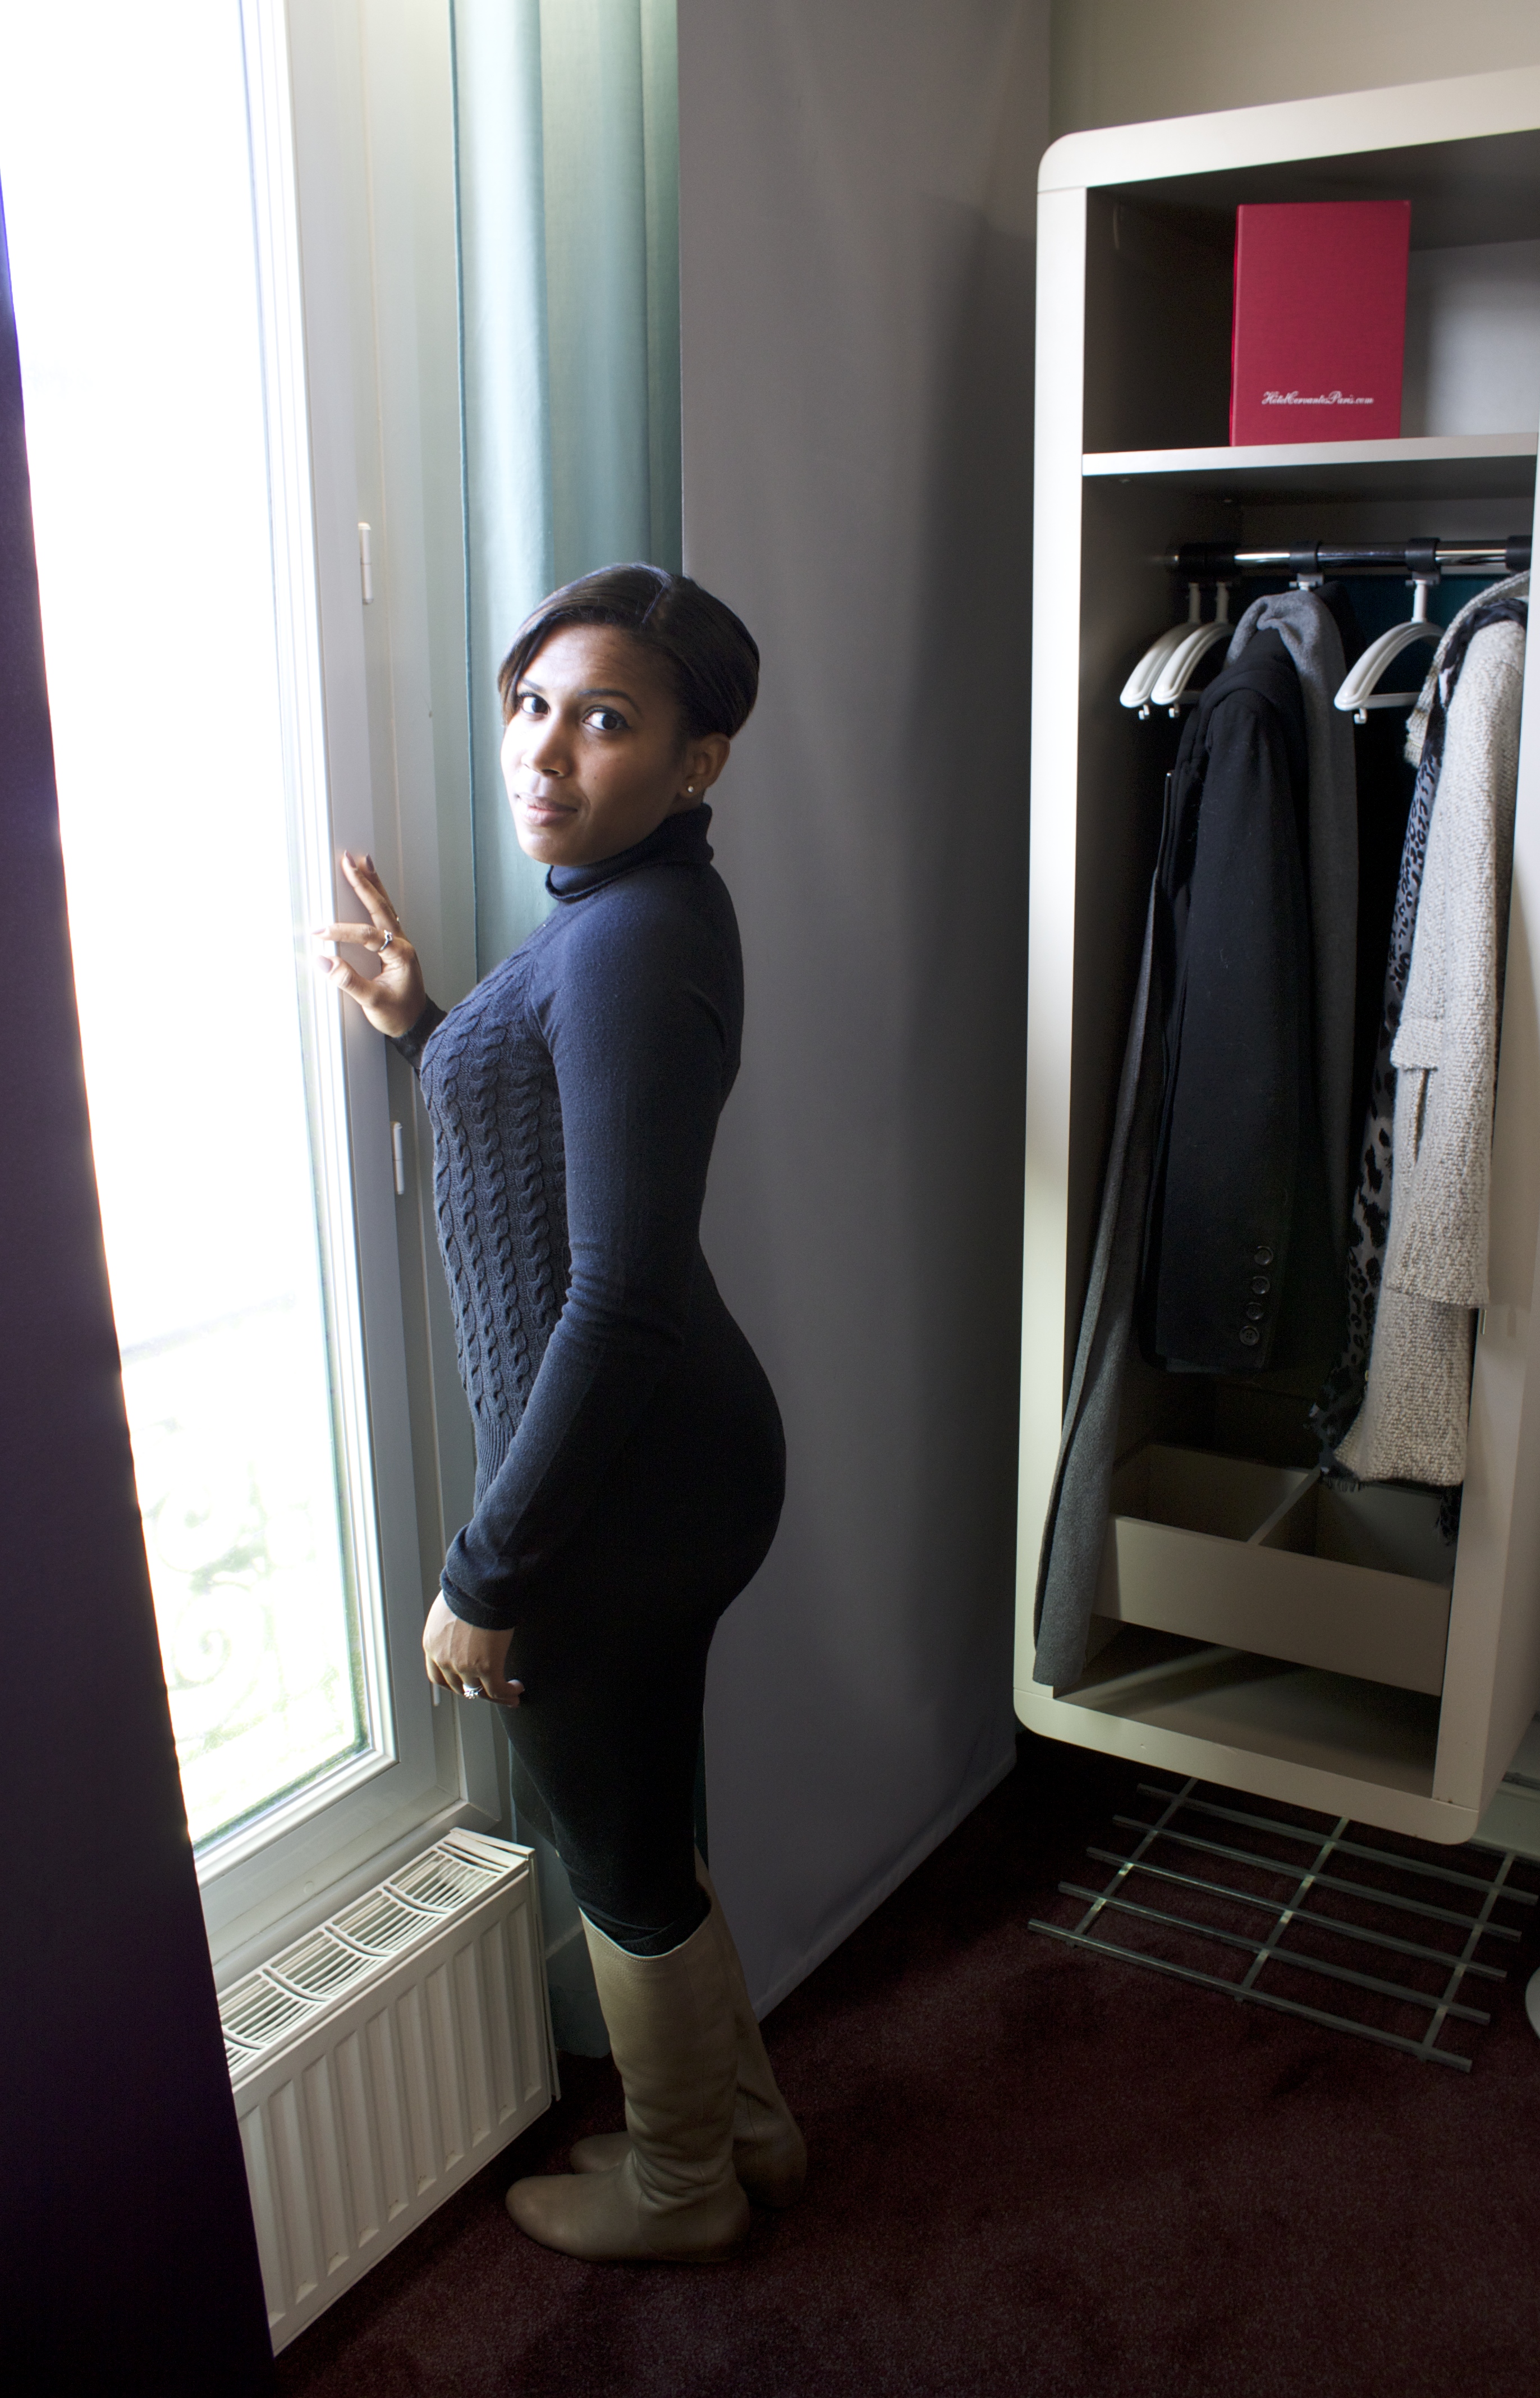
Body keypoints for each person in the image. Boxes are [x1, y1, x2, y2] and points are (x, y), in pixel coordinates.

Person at [315, 564, 803, 2264]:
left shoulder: (636, 938)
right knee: (644, 1814)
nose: (544, 749)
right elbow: (558, 1144)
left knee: (618, 1848)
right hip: (656, 1465)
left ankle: (682, 2189)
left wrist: (489, 1568)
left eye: (605, 719)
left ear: (696, 760)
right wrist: (426, 1029)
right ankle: (747, 2134)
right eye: (532, 703)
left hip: (623, 1492)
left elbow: (618, 1296)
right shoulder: (624, 908)